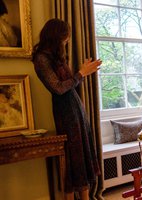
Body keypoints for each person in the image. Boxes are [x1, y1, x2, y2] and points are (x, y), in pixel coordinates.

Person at [32, 19, 102, 200]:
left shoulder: (58, 57)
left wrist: (83, 72)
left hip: (76, 107)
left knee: (82, 154)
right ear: (56, 36)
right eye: (66, 36)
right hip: (65, 112)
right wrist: (81, 73)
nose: (68, 40)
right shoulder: (41, 58)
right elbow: (58, 88)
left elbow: (71, 83)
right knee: (72, 158)